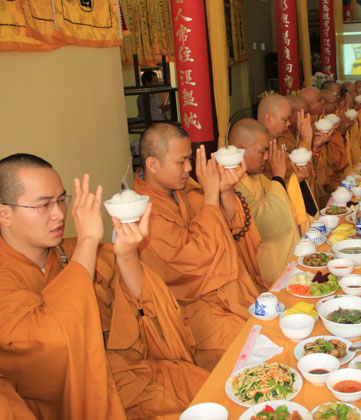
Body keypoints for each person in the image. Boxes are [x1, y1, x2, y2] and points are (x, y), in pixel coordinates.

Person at [0, 154, 209, 418]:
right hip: (79, 400)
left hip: (125, 373)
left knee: (214, 389)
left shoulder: (69, 252)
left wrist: (127, 255)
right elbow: (52, 341)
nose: (59, 214)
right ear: (4, 214)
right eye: (44, 205)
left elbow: (145, 304)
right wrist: (88, 240)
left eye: (61, 200)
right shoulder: (8, 277)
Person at [134, 123, 262, 371]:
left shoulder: (182, 191)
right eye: (181, 161)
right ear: (153, 164)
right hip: (189, 307)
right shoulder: (144, 212)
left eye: (190, 159)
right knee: (248, 348)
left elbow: (225, 227)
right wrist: (211, 196)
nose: (189, 168)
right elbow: (195, 258)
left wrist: (225, 191)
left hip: (223, 290)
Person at [231, 118, 301, 286]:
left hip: (274, 257)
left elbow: (280, 198)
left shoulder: (255, 176)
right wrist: (278, 176)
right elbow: (268, 223)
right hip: (259, 268)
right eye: (262, 152)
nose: (267, 157)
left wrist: (297, 179)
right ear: (241, 151)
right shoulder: (232, 182)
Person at [258, 95, 318, 234]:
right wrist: (306, 140)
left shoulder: (279, 142)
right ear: (269, 118)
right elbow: (275, 190)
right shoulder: (261, 151)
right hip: (278, 225)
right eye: (285, 119)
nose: (289, 123)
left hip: (290, 212)